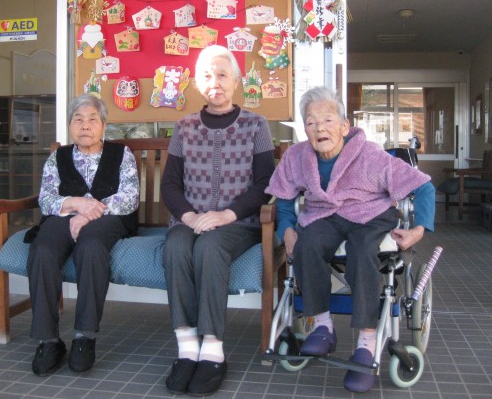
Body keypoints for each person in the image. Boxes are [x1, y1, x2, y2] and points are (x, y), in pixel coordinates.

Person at [265, 86, 435, 393]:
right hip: (325, 216)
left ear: (345, 126)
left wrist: (418, 230)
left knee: (362, 250)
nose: (319, 128)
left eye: (328, 120)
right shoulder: (297, 157)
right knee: (307, 243)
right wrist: (287, 229)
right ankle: (322, 327)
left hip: (371, 214)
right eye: (311, 122)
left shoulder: (370, 156)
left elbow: (423, 187)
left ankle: (366, 344)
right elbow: (284, 199)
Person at [161, 45, 275, 396]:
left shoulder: (256, 125)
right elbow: (170, 184)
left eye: (223, 75)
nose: (216, 82)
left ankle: (212, 349)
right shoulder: (184, 127)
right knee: (176, 246)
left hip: (238, 225)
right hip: (190, 221)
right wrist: (189, 216)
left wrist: (227, 214)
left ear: (236, 81)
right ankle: (186, 347)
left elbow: (264, 183)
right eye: (208, 76)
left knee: (210, 247)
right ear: (198, 83)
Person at [26, 93, 139, 376]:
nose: (85, 125)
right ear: (70, 125)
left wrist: (88, 213)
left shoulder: (122, 154)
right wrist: (76, 204)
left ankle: (84, 337)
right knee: (42, 250)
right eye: (78, 119)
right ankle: (48, 340)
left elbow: (129, 197)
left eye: (92, 119)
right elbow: (46, 199)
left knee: (91, 246)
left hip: (108, 218)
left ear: (103, 125)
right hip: (64, 216)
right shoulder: (58, 157)